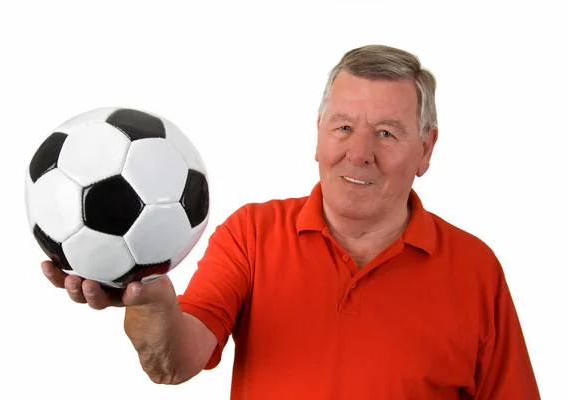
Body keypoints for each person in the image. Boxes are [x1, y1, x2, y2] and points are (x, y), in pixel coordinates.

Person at [41, 44, 541, 399]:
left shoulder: (475, 268)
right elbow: (175, 361)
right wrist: (149, 300)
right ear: (319, 136)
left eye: (387, 133)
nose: (359, 153)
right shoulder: (252, 236)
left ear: (425, 150)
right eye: (342, 127)